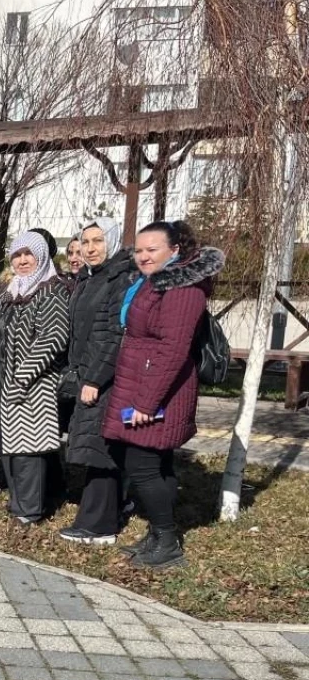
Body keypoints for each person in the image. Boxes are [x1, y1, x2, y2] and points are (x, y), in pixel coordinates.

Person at [103, 222, 221, 569]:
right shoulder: (154, 282)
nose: (143, 256)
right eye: (139, 250)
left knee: (142, 466)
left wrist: (145, 403)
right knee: (155, 463)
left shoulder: (183, 289)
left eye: (152, 250)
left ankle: (168, 541)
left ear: (175, 251)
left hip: (158, 392)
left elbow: (173, 349)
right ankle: (158, 533)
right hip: (142, 383)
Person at [59, 219, 135, 546]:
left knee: (99, 449)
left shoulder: (119, 278)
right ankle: (113, 510)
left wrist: (94, 378)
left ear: (113, 241)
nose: (90, 248)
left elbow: (114, 336)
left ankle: (98, 526)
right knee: (95, 444)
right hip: (86, 375)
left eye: (98, 241)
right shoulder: (91, 278)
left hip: (104, 380)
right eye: (85, 241)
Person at [0, 232, 70, 524]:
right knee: (10, 448)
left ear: (41, 257)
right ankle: (18, 503)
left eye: (29, 255)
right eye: (17, 255)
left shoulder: (51, 289)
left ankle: (30, 509)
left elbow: (55, 336)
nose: (22, 261)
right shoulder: (9, 290)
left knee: (29, 450)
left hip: (33, 385)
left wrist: (23, 375)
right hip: (3, 382)